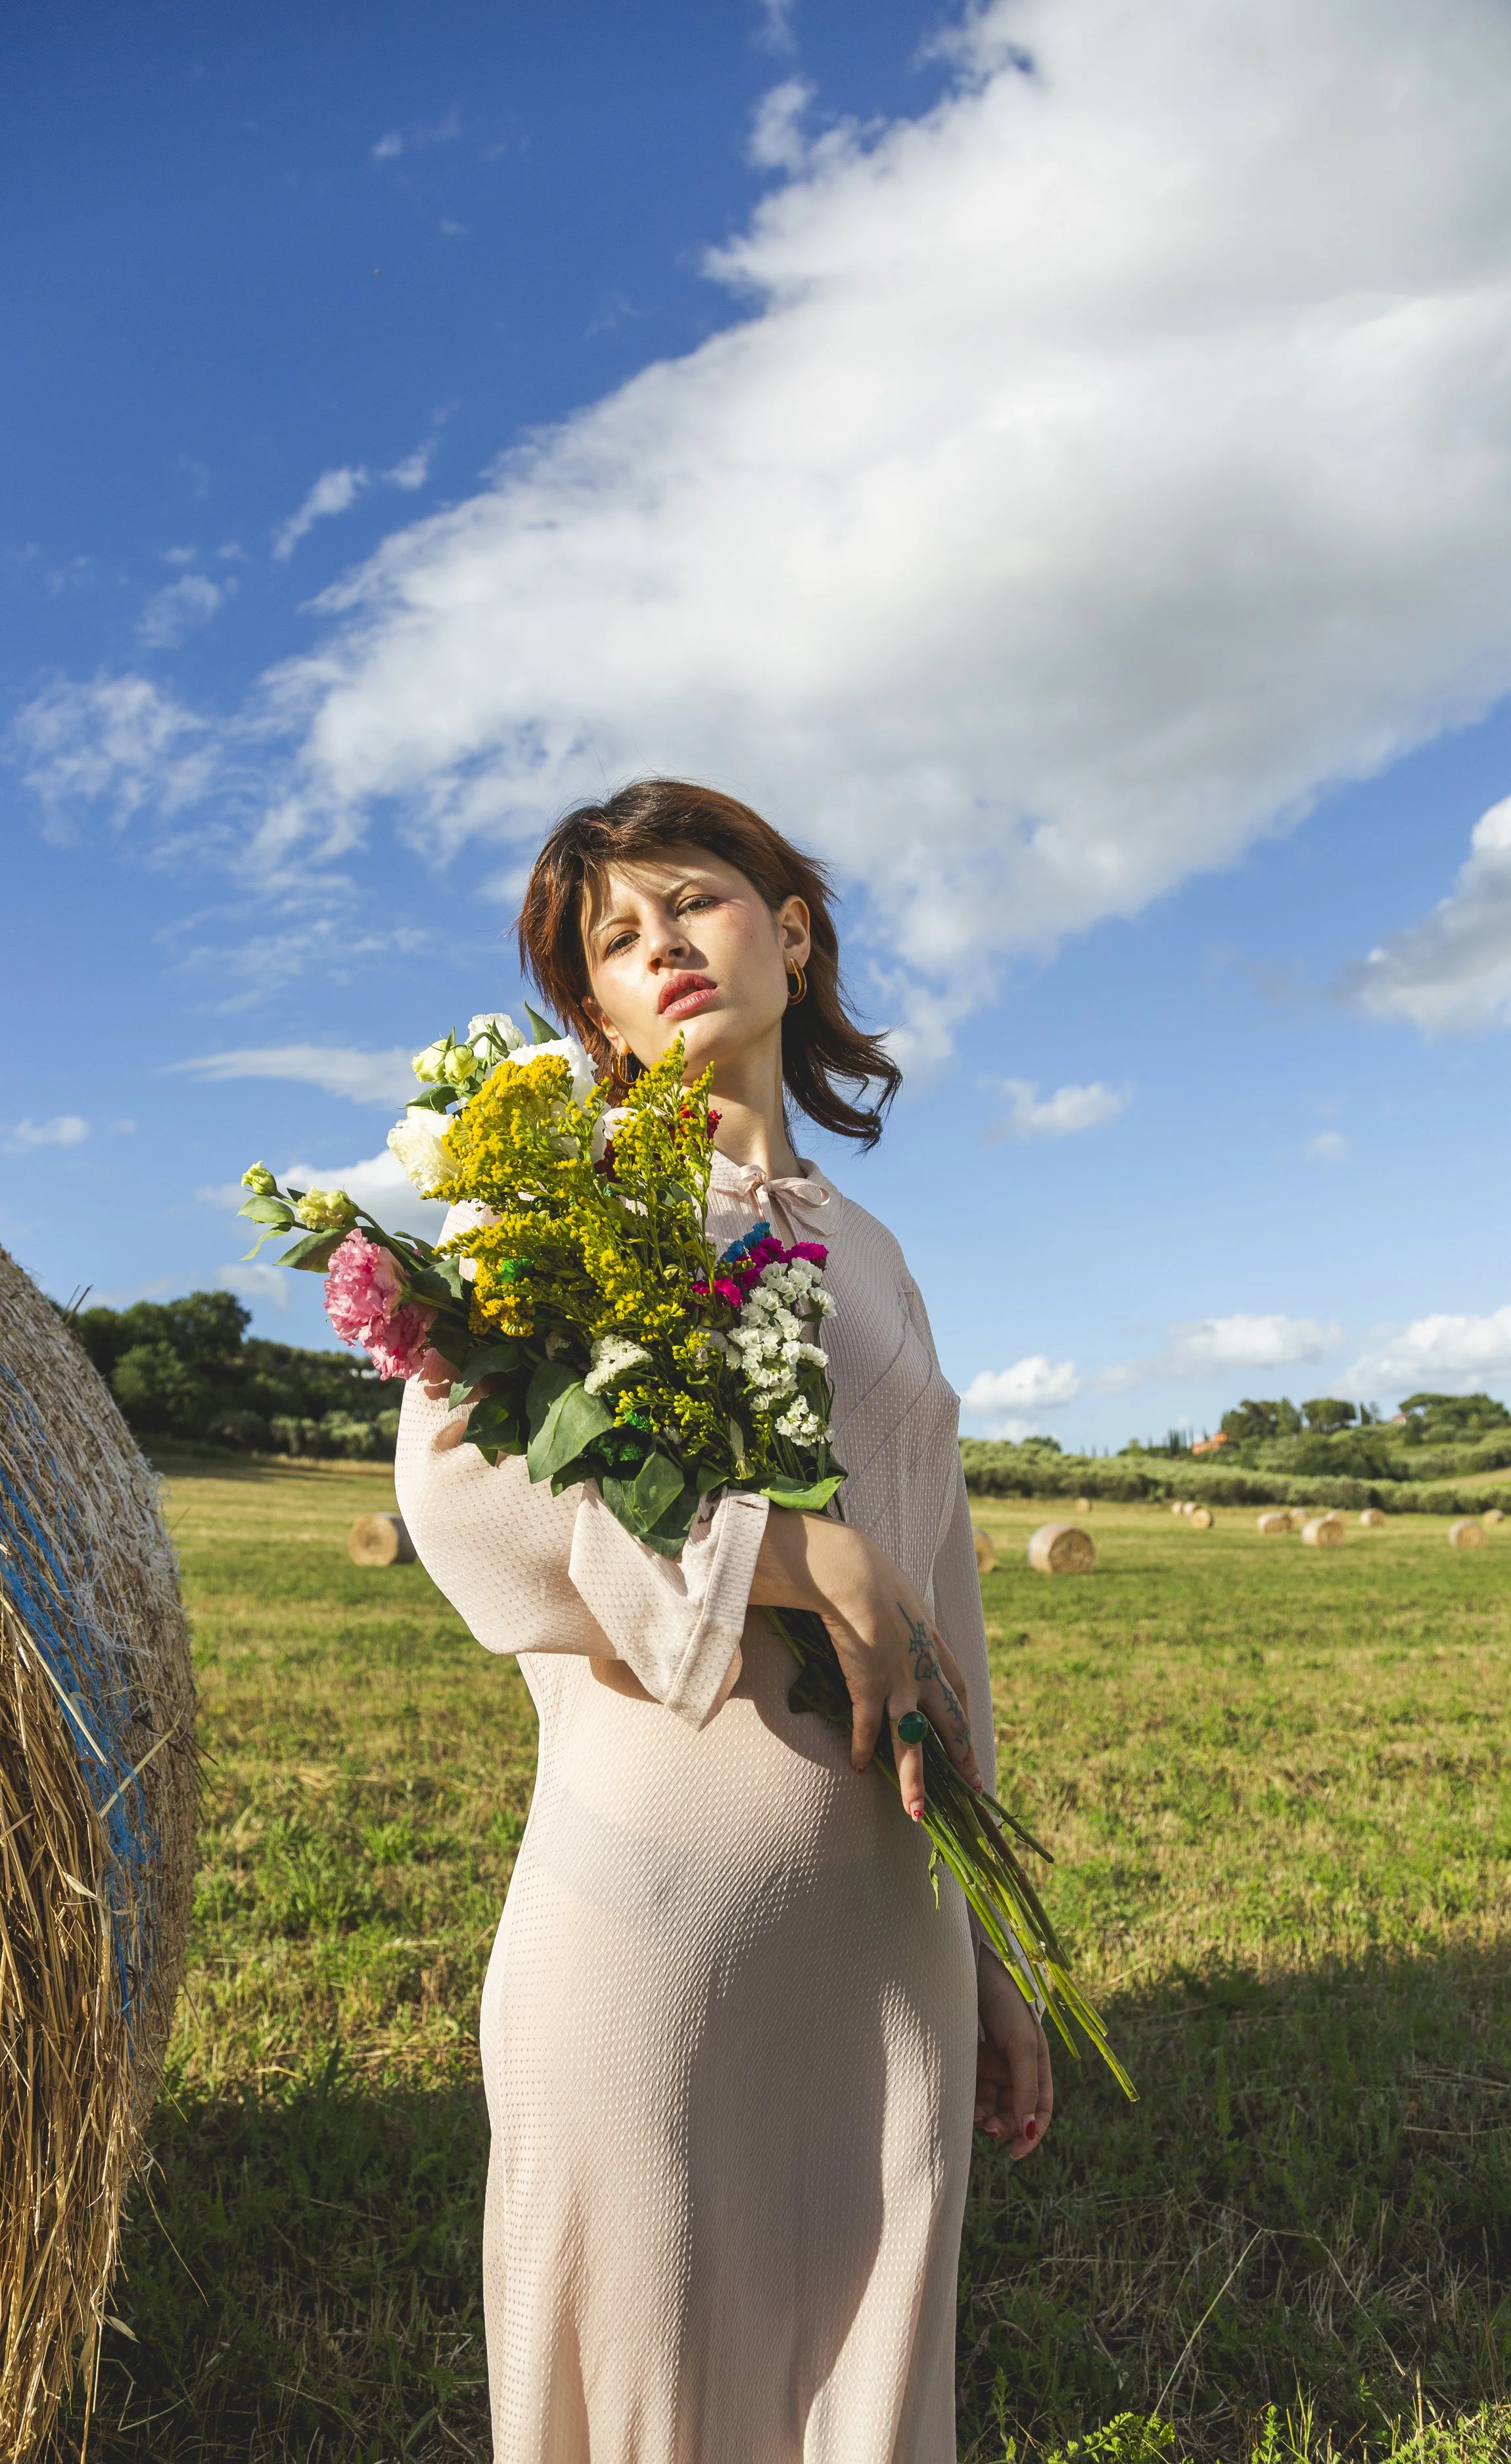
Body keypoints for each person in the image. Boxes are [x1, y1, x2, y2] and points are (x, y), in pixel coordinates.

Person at [395, 780, 1052, 2464]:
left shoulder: (878, 1255)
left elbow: (941, 1582)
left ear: (791, 928)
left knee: (864, 2374)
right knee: (642, 2365)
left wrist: (983, 1945)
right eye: (614, 940)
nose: (660, 947)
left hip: (883, 1932)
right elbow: (464, 1505)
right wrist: (782, 1554)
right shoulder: (555, 1204)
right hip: (649, 1919)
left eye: (691, 901)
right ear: (595, 1013)